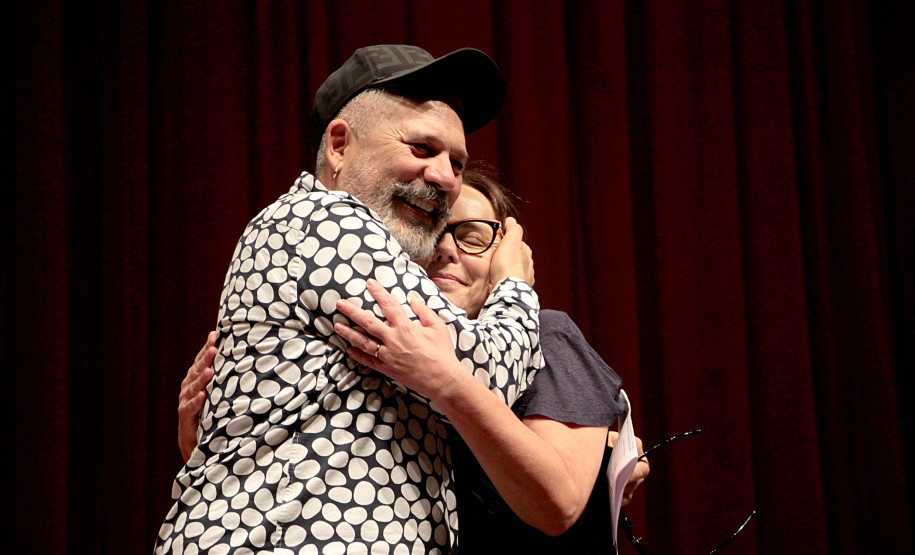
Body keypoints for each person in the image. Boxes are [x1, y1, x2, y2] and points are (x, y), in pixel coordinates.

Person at [155, 45, 543, 555]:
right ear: (339, 146)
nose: (448, 179)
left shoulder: (328, 238)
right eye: (422, 149)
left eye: (456, 161)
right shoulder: (324, 221)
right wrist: (514, 286)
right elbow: (484, 378)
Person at [178, 168, 650, 553]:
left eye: (470, 235)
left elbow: (558, 504)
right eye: (432, 232)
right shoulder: (371, 347)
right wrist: (203, 438)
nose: (446, 248)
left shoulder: (549, 336)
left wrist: (450, 376)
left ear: (507, 254)